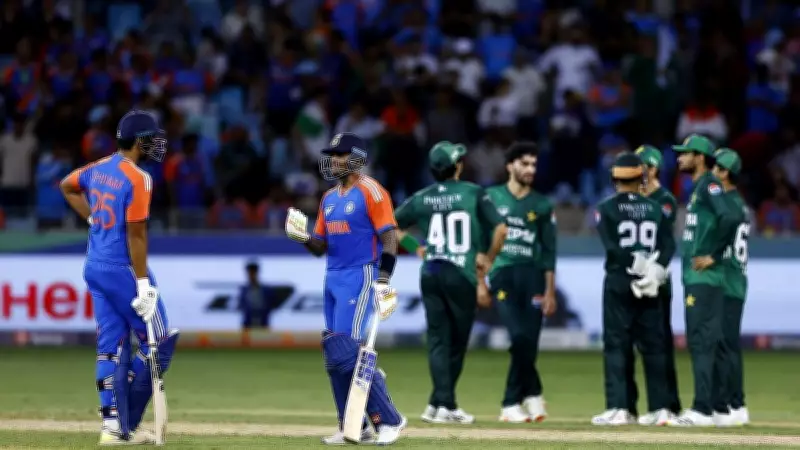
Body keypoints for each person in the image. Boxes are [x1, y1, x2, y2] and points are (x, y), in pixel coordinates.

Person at [59, 110, 179, 445]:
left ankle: (112, 428)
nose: (156, 144)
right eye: (151, 139)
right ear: (139, 141)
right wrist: (143, 284)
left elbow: (67, 186)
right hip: (123, 268)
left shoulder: (98, 168)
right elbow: (136, 235)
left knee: (110, 346)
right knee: (160, 343)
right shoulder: (139, 178)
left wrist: (93, 218)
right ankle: (127, 422)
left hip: (94, 265)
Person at [283, 132, 406, 445]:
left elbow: (390, 238)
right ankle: (353, 426)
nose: (334, 160)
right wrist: (302, 237)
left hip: (361, 275)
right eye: (333, 155)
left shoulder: (371, 191)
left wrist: (383, 279)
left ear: (358, 158)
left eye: (341, 154)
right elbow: (320, 247)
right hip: (333, 276)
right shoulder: (328, 198)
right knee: (335, 355)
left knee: (346, 353)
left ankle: (390, 420)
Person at [393, 141, 507, 424]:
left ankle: (435, 404)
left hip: (431, 271)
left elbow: (390, 226)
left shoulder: (421, 197)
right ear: (457, 166)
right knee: (456, 343)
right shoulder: (473, 193)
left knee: (437, 341)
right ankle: (447, 404)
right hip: (460, 272)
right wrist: (489, 258)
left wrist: (415, 247)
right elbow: (501, 229)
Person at [591, 152, 675, 426]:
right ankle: (660, 408)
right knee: (654, 346)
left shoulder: (605, 208)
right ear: (641, 178)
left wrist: (636, 265)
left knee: (617, 344)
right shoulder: (655, 208)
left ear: (614, 178)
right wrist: (655, 270)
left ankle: (620, 407)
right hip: (651, 284)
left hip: (619, 281)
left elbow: (612, 248)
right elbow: (668, 246)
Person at [482, 142, 557, 423]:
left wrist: (550, 291)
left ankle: (527, 396)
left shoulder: (542, 204)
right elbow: (480, 240)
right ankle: (515, 400)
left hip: (533, 276)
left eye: (534, 165)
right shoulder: (491, 198)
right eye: (524, 164)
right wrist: (480, 278)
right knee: (519, 336)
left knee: (530, 340)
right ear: (509, 166)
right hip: (502, 274)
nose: (530, 169)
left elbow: (549, 251)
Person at [667, 134, 736, 427]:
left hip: (703, 276)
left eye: (685, 153)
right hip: (698, 276)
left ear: (699, 157)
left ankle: (702, 409)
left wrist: (714, 256)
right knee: (708, 341)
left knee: (701, 341)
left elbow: (730, 218)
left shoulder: (708, 185)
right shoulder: (699, 188)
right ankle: (718, 408)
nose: (679, 158)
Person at [629, 145, 682, 425]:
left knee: (658, 344)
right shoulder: (633, 199)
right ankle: (665, 405)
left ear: (653, 169)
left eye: (642, 167)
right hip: (635, 279)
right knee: (644, 344)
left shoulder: (664, 200)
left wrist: (653, 272)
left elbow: (665, 243)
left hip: (656, 281)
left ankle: (665, 405)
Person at [711, 148, 750, 426]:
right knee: (728, 343)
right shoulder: (739, 204)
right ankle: (735, 403)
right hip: (735, 279)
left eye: (717, 168)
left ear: (726, 173)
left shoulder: (727, 205)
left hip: (727, 280)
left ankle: (733, 403)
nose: (712, 172)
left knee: (726, 344)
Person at [238, 260, 273, 329]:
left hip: (263, 325)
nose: (251, 275)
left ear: (257, 273)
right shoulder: (244, 290)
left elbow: (270, 305)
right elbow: (242, 306)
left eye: (253, 273)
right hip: (248, 325)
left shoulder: (266, 290)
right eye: (249, 273)